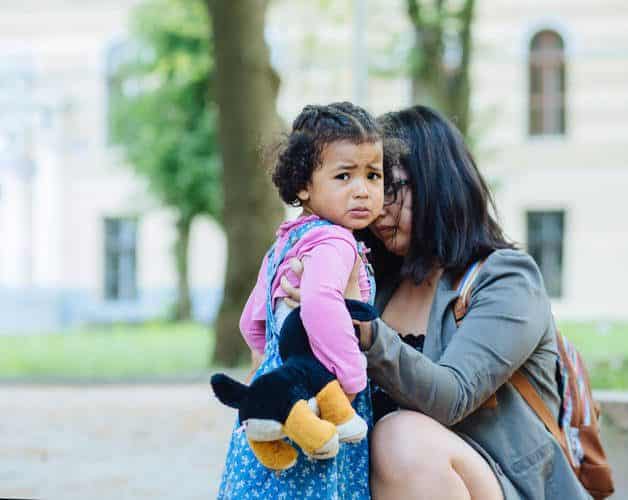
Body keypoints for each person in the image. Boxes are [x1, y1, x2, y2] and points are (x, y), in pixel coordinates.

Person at [281, 105, 592, 499]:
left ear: (438, 185)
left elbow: (452, 397)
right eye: (368, 183)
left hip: (509, 485)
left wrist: (361, 327)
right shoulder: (374, 281)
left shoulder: (506, 280)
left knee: (401, 438)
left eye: (388, 185)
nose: (377, 204)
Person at [216, 102, 391, 499]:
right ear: (302, 185)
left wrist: (265, 368)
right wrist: (349, 377)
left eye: (373, 175)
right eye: (344, 176)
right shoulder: (336, 241)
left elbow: (252, 321)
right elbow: (319, 302)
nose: (362, 189)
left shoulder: (287, 240)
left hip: (278, 391)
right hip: (319, 398)